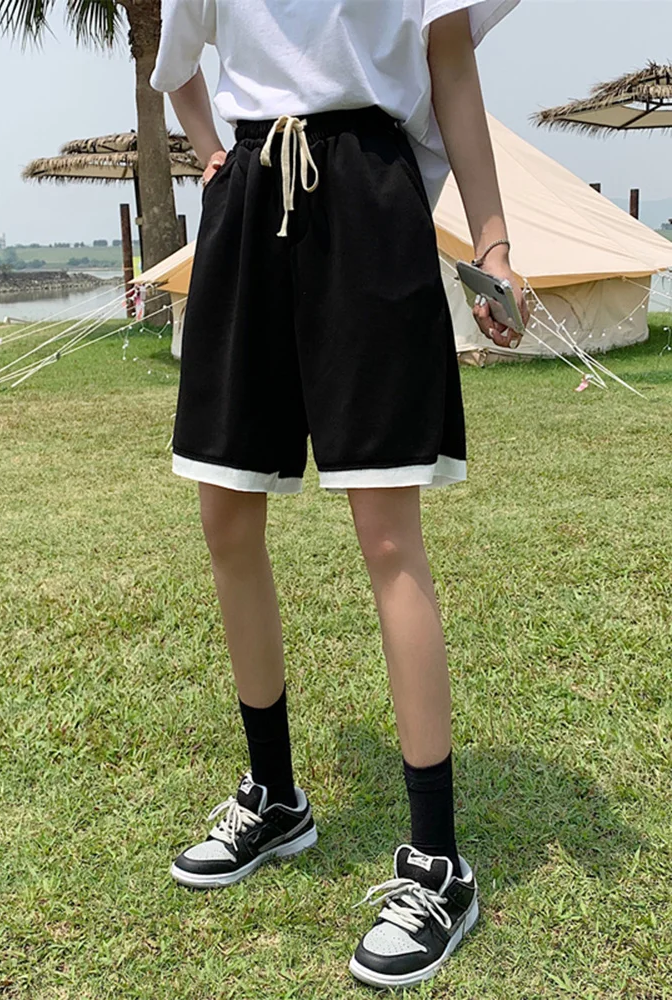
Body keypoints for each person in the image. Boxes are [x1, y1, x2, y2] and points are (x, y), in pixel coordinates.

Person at [150, 0, 529, 988]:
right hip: (247, 198)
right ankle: (276, 797)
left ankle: (438, 863)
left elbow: (450, 64)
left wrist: (492, 244)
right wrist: (212, 155)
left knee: (388, 534)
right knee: (226, 512)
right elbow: (177, 62)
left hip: (367, 194)